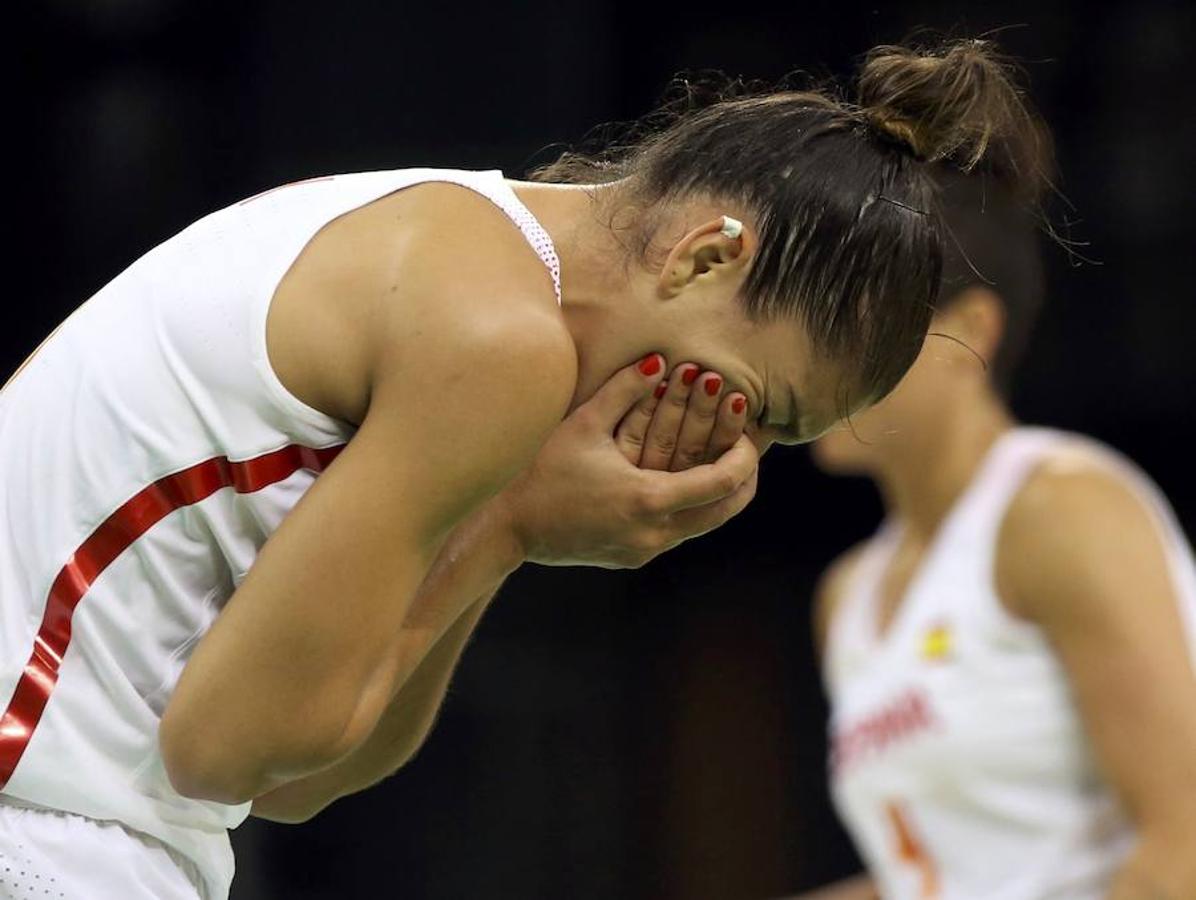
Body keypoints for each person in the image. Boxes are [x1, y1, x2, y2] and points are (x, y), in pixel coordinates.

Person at [0, 40, 1044, 899]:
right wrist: (512, 519)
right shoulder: (495, 339)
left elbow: (297, 786)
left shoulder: (469, 245)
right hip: (44, 824)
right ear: (702, 257)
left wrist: (506, 535)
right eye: (750, 404)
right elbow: (223, 752)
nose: (728, 459)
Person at [804, 160, 1196, 897]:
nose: (815, 357)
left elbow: (1185, 842)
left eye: (849, 322)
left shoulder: (1059, 509)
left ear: (970, 332)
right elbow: (950, 875)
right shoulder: (847, 596)